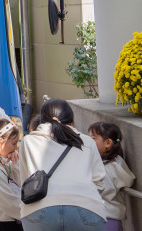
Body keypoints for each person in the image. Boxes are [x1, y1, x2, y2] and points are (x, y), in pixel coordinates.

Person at [19, 99, 107, 231]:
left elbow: (26, 181)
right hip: (86, 209)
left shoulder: (28, 141)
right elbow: (99, 182)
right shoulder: (88, 142)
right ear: (71, 122)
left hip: (39, 210)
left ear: (41, 122)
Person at [88, 122, 135, 231]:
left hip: (102, 218)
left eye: (93, 138)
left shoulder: (105, 168)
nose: (89, 142)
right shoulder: (117, 163)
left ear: (108, 143)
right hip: (112, 219)